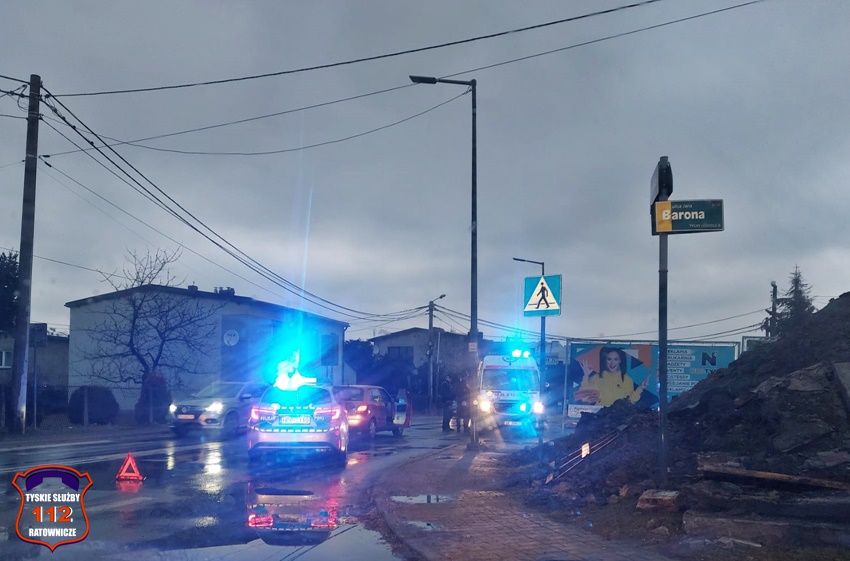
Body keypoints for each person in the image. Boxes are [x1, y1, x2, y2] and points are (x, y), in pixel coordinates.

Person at [575, 346, 648, 407]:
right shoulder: (596, 377)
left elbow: (630, 401)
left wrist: (641, 388)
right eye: (609, 359)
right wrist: (586, 376)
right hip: (601, 416)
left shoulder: (627, 379)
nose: (612, 362)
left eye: (616, 359)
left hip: (619, 416)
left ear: (620, 361)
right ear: (605, 360)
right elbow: (584, 397)